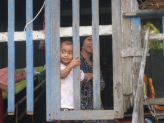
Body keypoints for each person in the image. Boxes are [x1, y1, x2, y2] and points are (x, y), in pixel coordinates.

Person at [73, 36, 117, 123]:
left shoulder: (95, 63)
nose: (92, 43)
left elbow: (102, 86)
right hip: (80, 111)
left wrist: (92, 75)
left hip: (96, 108)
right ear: (82, 42)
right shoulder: (76, 61)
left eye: (95, 40)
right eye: (89, 39)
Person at [56, 39, 92, 123]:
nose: (66, 55)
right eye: (63, 52)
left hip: (71, 102)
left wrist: (91, 75)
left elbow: (83, 77)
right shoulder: (58, 66)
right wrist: (71, 65)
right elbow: (62, 75)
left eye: (69, 53)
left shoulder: (76, 69)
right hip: (60, 101)